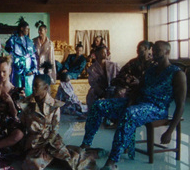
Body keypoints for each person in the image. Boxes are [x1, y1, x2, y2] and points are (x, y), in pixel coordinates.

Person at [80, 41, 186, 170]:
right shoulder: (151, 70)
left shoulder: (177, 74)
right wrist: (129, 103)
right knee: (99, 105)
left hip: (157, 108)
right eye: (154, 50)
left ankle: (112, 161)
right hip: (139, 103)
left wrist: (170, 131)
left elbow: (181, 105)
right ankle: (85, 146)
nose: (154, 53)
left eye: (158, 50)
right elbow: (138, 90)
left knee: (130, 113)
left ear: (167, 52)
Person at [19, 69, 97, 170]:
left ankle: (61, 156)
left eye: (36, 86)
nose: (33, 88)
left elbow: (55, 128)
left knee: (69, 163)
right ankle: (50, 158)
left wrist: (48, 143)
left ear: (46, 88)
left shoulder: (54, 105)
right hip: (34, 142)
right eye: (33, 85)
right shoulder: (26, 103)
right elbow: (22, 124)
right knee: (32, 164)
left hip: (51, 141)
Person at [5, 17, 37, 96]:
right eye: (26, 29)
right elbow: (11, 55)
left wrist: (34, 69)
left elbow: (33, 56)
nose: (27, 31)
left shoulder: (29, 41)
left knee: (29, 94)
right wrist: (19, 66)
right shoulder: (13, 40)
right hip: (18, 71)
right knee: (17, 94)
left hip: (29, 73)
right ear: (22, 28)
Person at [86, 46, 120, 110]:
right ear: (97, 54)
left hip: (112, 87)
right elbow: (92, 82)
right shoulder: (92, 68)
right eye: (103, 52)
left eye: (105, 52)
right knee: (92, 92)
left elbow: (120, 76)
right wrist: (99, 90)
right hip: (100, 88)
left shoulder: (113, 65)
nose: (105, 54)